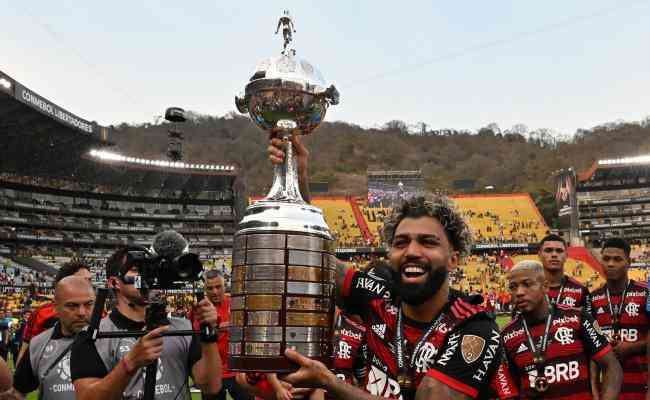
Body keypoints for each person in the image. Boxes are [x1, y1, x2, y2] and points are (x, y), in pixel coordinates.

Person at [268, 134, 517, 399]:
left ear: (453, 258)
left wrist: (328, 381)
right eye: (401, 242)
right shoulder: (377, 295)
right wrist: (296, 174)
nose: (411, 251)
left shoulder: (474, 327)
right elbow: (316, 254)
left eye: (428, 242)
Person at [70, 247, 222, 400]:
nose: (146, 274)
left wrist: (209, 335)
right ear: (115, 282)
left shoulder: (183, 327)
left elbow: (211, 386)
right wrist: (130, 363)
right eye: (137, 269)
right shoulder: (92, 336)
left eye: (150, 269)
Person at [502, 260, 621, 399]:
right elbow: (511, 389)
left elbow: (611, 366)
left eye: (527, 284)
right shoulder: (506, 335)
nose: (519, 292)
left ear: (545, 286)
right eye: (513, 287)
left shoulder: (578, 318)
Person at [7, 276, 95, 400]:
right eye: (72, 306)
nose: (81, 312)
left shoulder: (110, 340)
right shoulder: (39, 344)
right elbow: (18, 392)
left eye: (88, 305)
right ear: (56, 308)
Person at [588, 237, 650, 400]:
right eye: (606, 259)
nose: (610, 264)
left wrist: (632, 347)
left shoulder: (646, 293)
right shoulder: (593, 299)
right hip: (609, 393)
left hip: (642, 389)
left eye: (617, 259)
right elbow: (591, 351)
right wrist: (594, 391)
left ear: (628, 262)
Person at [192, 270, 251, 400]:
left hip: (237, 370)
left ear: (225, 285)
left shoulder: (236, 304)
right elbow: (201, 335)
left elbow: (247, 327)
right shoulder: (202, 308)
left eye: (218, 287)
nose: (214, 291)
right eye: (210, 288)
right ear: (205, 288)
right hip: (213, 373)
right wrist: (225, 326)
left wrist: (218, 326)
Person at [18, 261, 93, 363]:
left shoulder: (101, 315)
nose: (87, 285)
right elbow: (26, 354)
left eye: (90, 280)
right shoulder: (41, 314)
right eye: (82, 281)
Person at [538, 234, 589, 308]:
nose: (554, 254)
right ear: (539, 255)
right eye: (548, 250)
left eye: (559, 251)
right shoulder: (530, 289)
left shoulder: (581, 290)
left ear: (566, 256)